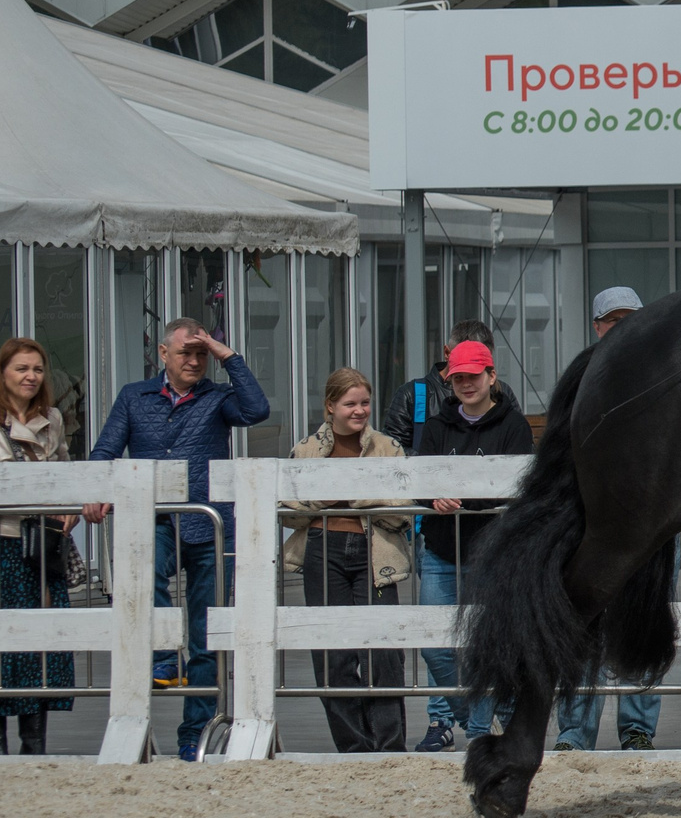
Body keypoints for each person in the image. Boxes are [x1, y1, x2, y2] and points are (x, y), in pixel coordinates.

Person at [85, 318, 269, 761]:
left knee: (206, 634)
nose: (193, 360)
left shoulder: (218, 397)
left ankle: (195, 734)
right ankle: (164, 655)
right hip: (154, 519)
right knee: (145, 581)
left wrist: (230, 357)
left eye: (201, 354)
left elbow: (255, 410)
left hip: (209, 525)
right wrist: (96, 489)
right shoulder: (135, 396)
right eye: (185, 352)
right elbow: (106, 449)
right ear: (163, 355)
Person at [279, 369, 412, 752]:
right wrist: (321, 502)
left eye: (365, 403)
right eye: (350, 403)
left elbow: (405, 507)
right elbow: (286, 508)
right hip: (323, 548)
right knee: (332, 653)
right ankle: (353, 748)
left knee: (383, 652)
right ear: (330, 407)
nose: (359, 411)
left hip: (377, 554)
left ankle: (389, 746)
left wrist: (354, 498)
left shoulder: (388, 447)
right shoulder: (304, 449)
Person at [412, 339, 534, 750]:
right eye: (458, 377)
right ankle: (470, 717)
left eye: (473, 376)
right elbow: (419, 482)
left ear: (491, 376)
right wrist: (435, 499)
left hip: (491, 554)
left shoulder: (513, 425)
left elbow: (518, 485)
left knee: (482, 645)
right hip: (440, 551)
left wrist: (462, 499)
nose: (465, 384)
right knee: (434, 646)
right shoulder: (435, 426)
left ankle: (480, 732)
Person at [0, 338, 78, 755]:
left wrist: (70, 509)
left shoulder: (54, 417)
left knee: (38, 647)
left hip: (41, 547)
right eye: (21, 369)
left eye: (38, 369)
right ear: (3, 373)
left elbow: (65, 471)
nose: (31, 376)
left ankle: (34, 747)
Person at [554, 294, 661, 751]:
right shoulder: (582, 379)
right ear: (597, 326)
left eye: (629, 320)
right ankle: (575, 732)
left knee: (642, 619)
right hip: (593, 523)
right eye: (612, 320)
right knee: (580, 628)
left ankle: (637, 729)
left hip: (649, 520)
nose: (620, 328)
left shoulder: (661, 376)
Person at [382, 319, 510, 451]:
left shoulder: (502, 392)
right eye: (463, 359)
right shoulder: (412, 395)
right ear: (447, 353)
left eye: (480, 360)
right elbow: (393, 452)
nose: (466, 383)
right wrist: (432, 460)